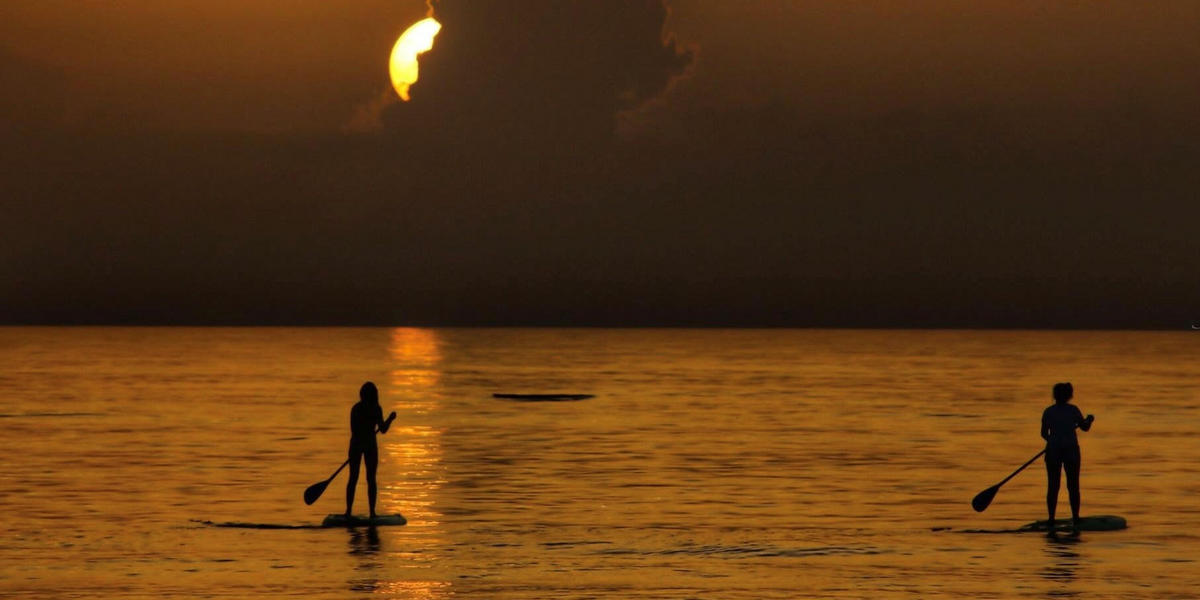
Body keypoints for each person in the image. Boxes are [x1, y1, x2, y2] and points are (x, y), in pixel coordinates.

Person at [1041, 382, 1094, 535]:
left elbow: (1044, 433)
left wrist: (1053, 440)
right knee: (1073, 486)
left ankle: (1051, 518)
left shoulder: (1048, 411)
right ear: (1069, 395)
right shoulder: (1073, 410)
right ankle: (1076, 518)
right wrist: (1089, 420)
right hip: (1070, 451)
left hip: (1053, 451)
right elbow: (1084, 427)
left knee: (1053, 485)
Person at [346, 381, 396, 518]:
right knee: (357, 478)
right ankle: (352, 512)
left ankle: (368, 512)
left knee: (367, 478)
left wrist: (389, 419)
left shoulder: (371, 408)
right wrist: (390, 419)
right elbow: (356, 430)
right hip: (360, 445)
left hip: (365, 445)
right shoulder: (361, 409)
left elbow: (382, 429)